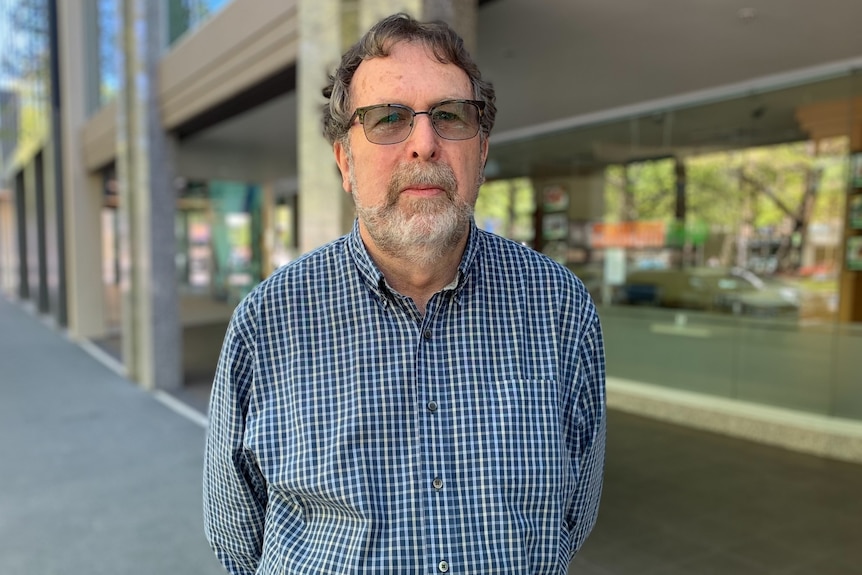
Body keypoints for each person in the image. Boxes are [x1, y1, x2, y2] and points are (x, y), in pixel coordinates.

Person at [203, 12, 606, 575]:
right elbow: (236, 534)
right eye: (389, 118)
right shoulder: (269, 321)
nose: (424, 143)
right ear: (345, 161)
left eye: (451, 115)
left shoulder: (559, 307)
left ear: (481, 152)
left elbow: (575, 511)